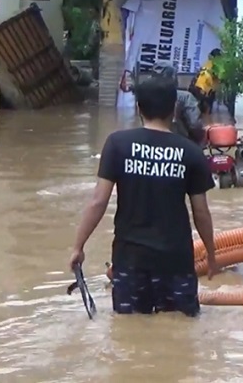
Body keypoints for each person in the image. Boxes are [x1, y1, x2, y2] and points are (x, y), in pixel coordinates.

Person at [68, 76, 218, 316]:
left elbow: (98, 201)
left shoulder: (117, 144)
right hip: (175, 261)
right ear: (175, 110)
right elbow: (201, 212)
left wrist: (78, 246)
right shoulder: (191, 152)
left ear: (138, 108)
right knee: (179, 332)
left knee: (129, 334)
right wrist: (210, 254)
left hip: (130, 261)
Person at [192, 48, 222, 113]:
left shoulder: (209, 64)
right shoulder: (212, 66)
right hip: (203, 90)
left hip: (203, 90)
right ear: (216, 57)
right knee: (203, 112)